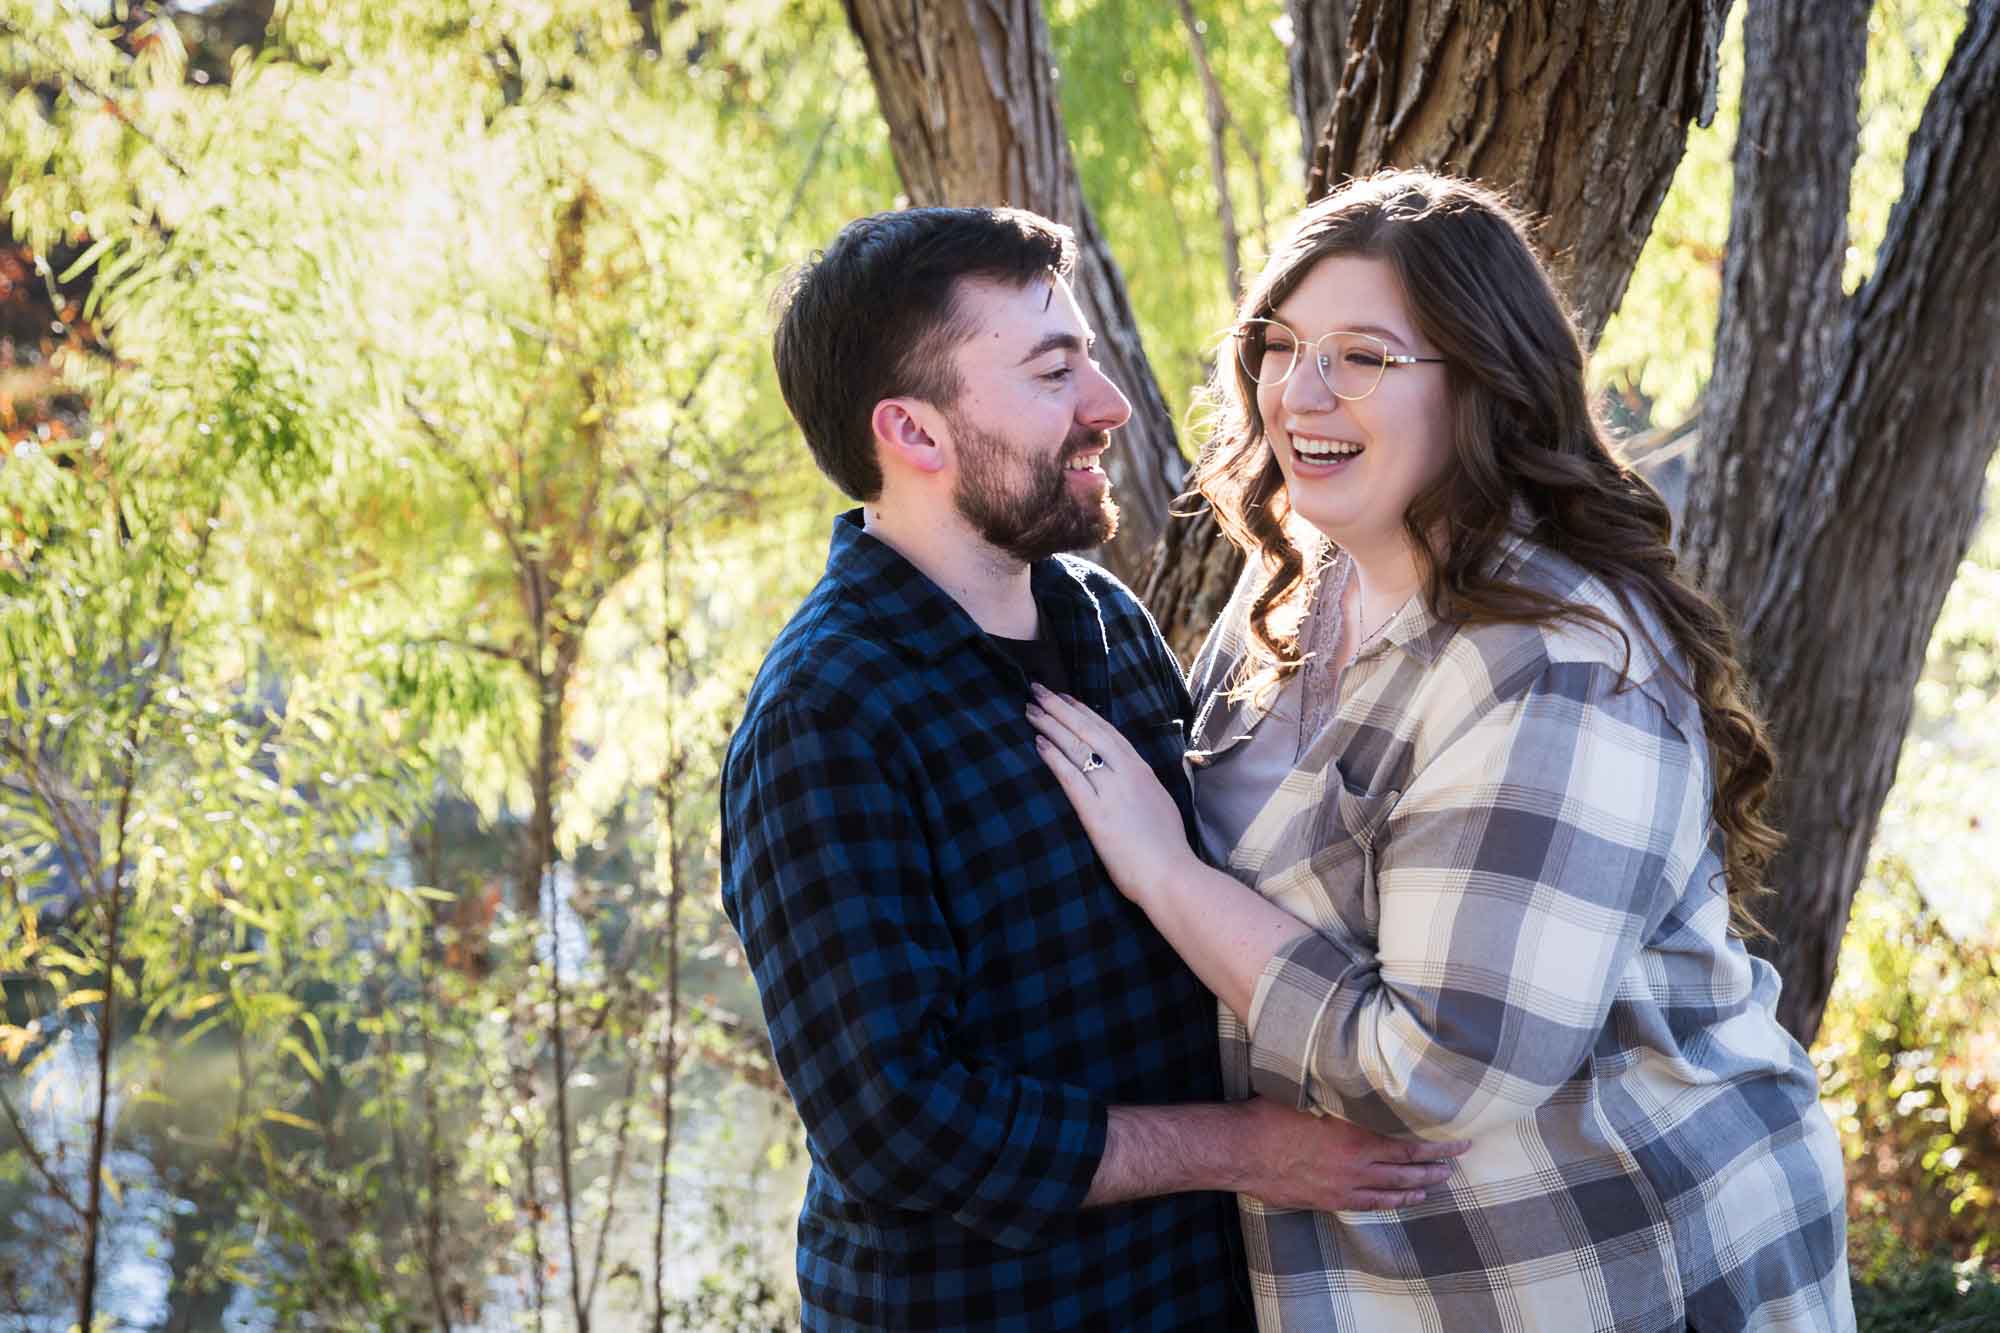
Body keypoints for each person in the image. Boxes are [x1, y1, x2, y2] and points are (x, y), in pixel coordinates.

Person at [1025, 171, 1855, 1332]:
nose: (1297, 392)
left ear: (1483, 384)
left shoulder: (1556, 664)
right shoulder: (1285, 593)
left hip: (1617, 1267)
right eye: (1278, 343)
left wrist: (1166, 873)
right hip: (1392, 1282)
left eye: (1363, 356)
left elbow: (1439, 1075)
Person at [721, 205, 1468, 1331]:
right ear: (912, 435)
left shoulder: (1104, 623)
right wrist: (1243, 1148)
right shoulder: (825, 716)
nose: (1108, 405)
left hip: (1191, 1294)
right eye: (1050, 371)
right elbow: (893, 1123)